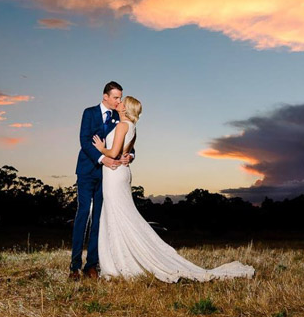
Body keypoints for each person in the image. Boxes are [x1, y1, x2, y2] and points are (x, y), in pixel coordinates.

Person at [92, 95, 255, 282]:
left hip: (114, 175)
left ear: (126, 108)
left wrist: (101, 148)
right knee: (120, 214)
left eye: (122, 101)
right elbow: (125, 152)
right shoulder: (133, 128)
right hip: (122, 173)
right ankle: (117, 261)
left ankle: (120, 263)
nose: (118, 103)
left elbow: (113, 153)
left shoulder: (122, 126)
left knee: (119, 215)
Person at [70, 81, 133, 279]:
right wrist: (102, 158)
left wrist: (129, 156)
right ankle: (74, 266)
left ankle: (92, 265)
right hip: (87, 171)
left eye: (120, 97)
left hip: (108, 176)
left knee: (99, 218)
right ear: (105, 96)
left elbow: (128, 141)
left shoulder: (119, 117)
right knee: (83, 214)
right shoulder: (89, 113)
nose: (119, 101)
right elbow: (84, 140)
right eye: (115, 97)